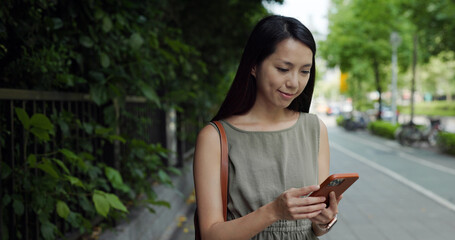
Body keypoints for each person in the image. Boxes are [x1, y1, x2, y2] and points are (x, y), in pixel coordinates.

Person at [193, 15, 340, 240]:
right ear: (253, 66)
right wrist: (273, 212)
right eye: (283, 69)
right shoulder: (215, 137)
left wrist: (324, 220)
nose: (294, 82)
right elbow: (210, 234)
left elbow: (315, 229)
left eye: (304, 71)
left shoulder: (314, 129)